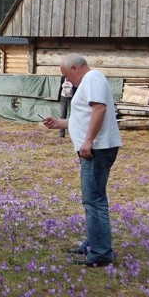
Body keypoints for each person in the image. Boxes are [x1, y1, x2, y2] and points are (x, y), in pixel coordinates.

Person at [42, 54, 122, 267]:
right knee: (92, 199)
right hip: (95, 147)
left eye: (66, 75)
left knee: (94, 200)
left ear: (75, 68)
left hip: (98, 148)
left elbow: (99, 109)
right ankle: (93, 243)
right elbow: (84, 117)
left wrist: (88, 141)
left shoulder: (93, 78)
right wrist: (60, 123)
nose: (67, 80)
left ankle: (101, 252)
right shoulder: (88, 81)